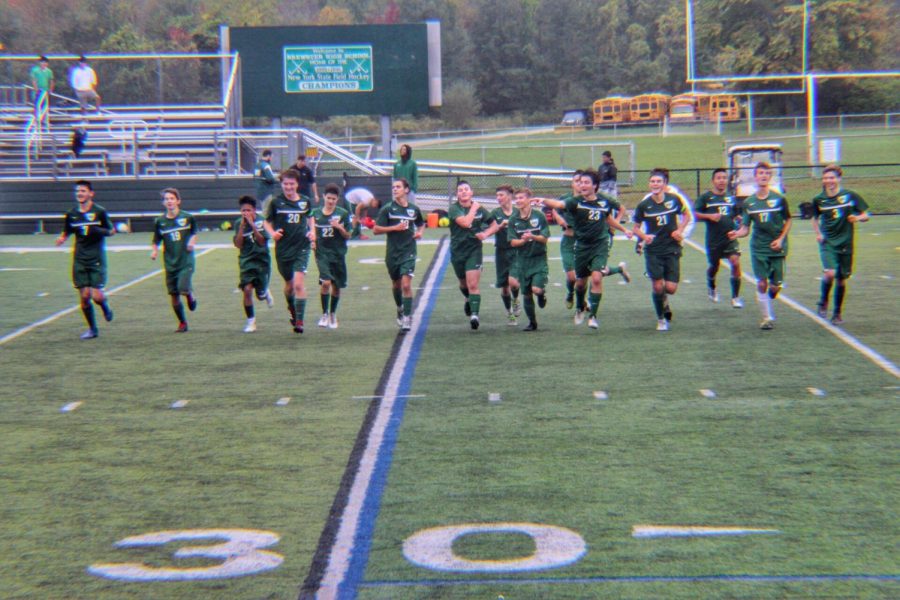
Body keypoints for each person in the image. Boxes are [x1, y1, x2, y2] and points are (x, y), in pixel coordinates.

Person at [539, 170, 631, 330]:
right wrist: (543, 200)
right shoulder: (575, 201)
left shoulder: (603, 201)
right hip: (581, 246)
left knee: (596, 278)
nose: (582, 185)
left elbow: (608, 218)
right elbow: (559, 205)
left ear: (595, 186)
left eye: (586, 182)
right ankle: (580, 306)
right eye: (580, 182)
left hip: (600, 245)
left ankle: (593, 316)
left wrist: (624, 229)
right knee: (580, 284)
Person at [631, 169, 692, 331]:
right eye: (652, 181)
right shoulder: (644, 205)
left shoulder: (674, 199)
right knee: (657, 286)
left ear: (665, 184)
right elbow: (636, 228)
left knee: (671, 288)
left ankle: (664, 298)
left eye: (659, 181)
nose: (655, 184)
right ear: (649, 184)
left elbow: (687, 216)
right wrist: (644, 237)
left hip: (672, 248)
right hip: (653, 250)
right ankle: (661, 319)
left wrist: (680, 230)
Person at [733, 162, 791, 330]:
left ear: (770, 176)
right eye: (760, 173)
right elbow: (745, 228)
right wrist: (736, 233)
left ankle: (775, 289)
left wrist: (781, 239)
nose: (763, 176)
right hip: (759, 247)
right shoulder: (749, 203)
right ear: (755, 177)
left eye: (766, 173)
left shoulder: (779, 199)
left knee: (774, 288)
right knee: (761, 283)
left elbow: (788, 219)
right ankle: (766, 318)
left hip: (777, 247)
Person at [54, 180, 114, 339]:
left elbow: (111, 231)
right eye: (78, 191)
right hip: (80, 258)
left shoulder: (100, 212)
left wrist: (98, 230)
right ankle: (92, 329)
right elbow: (67, 231)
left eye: (83, 191)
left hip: (96, 258)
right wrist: (62, 239)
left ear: (91, 193)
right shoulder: (71, 214)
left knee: (97, 296)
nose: (80, 193)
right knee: (85, 296)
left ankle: (105, 306)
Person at [810, 164, 869, 325]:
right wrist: (818, 233)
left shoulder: (849, 196)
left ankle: (837, 312)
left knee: (842, 280)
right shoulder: (818, 199)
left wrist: (857, 218)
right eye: (826, 178)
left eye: (832, 177)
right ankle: (823, 301)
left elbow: (866, 214)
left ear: (839, 179)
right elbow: (814, 218)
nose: (829, 180)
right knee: (830, 273)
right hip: (828, 242)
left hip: (846, 243)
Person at [263, 169, 316, 334]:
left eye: (291, 184)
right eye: (286, 184)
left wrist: (312, 231)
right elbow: (266, 222)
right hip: (283, 249)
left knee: (299, 284)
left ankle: (299, 321)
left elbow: (310, 217)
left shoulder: (305, 201)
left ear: (297, 184)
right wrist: (272, 234)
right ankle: (292, 309)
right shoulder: (276, 202)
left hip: (301, 246)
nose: (289, 187)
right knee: (289, 286)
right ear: (282, 184)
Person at [373, 178, 425, 332]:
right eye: (393, 187)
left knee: (406, 284)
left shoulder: (414, 209)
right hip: (392, 253)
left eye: (398, 187)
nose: (395, 189)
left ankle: (407, 318)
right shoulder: (388, 209)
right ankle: (400, 307)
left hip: (408, 251)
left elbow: (421, 224)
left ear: (406, 190)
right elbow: (375, 229)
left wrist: (419, 233)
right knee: (396, 284)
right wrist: (394, 228)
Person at [693, 168, 744, 308]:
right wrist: (709, 216)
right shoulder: (706, 198)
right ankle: (711, 285)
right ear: (713, 181)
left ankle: (735, 297)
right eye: (719, 178)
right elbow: (695, 214)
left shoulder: (731, 198)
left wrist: (739, 220)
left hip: (730, 237)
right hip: (714, 240)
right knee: (714, 267)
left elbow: (735, 214)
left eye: (724, 178)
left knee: (735, 262)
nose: (722, 180)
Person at [448, 180, 495, 330]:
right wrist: (474, 208)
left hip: (474, 250)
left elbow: (494, 224)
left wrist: (486, 233)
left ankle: (475, 315)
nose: (463, 191)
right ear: (457, 194)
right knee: (463, 284)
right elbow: (465, 223)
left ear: (471, 192)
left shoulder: (481, 209)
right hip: (458, 251)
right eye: (460, 190)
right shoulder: (454, 209)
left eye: (466, 189)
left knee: (473, 284)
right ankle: (468, 298)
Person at [151, 188, 198, 333]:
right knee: (174, 295)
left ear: (178, 201)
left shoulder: (187, 217)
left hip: (185, 260)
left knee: (182, 288)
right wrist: (154, 251)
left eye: (172, 198)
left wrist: (191, 242)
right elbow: (156, 240)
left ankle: (190, 294)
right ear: (163, 202)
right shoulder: (160, 221)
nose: (169, 201)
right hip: (170, 262)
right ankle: (182, 323)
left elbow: (194, 233)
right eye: (166, 199)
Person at [508, 188, 550, 331]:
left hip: (539, 260)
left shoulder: (539, 216)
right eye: (517, 198)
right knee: (526, 293)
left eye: (521, 198)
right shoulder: (514, 219)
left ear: (529, 200)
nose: (518, 201)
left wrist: (532, 236)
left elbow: (544, 239)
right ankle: (533, 323)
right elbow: (513, 242)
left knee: (536, 289)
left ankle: (541, 294)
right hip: (523, 261)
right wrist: (523, 241)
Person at [311, 183, 352, 329]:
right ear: (323, 197)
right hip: (322, 254)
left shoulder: (342, 214)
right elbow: (310, 231)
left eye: (334, 199)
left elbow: (348, 235)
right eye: (328, 198)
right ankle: (324, 314)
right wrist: (312, 239)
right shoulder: (315, 214)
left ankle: (333, 314)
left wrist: (339, 227)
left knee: (336, 286)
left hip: (338, 254)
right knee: (326, 283)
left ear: (337, 199)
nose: (330, 201)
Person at [233, 196, 273, 333]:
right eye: (243, 211)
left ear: (254, 210)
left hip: (262, 261)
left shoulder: (262, 222)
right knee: (247, 289)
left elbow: (262, 241)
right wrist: (242, 228)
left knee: (260, 295)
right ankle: (251, 321)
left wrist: (253, 226)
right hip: (246, 261)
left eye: (248, 210)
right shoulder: (239, 223)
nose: (246, 213)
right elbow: (238, 244)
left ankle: (265, 292)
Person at [485, 185, 520, 325]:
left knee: (514, 283)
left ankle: (516, 300)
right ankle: (509, 312)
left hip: (516, 251)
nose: (498, 198)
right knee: (504, 287)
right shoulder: (494, 213)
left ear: (509, 196)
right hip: (501, 252)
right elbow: (488, 229)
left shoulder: (518, 212)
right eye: (497, 195)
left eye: (501, 195)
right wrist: (499, 226)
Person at [550, 172, 581, 311]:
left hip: (584, 241)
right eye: (577, 181)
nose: (580, 184)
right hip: (568, 240)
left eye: (583, 181)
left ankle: (582, 303)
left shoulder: (590, 200)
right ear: (572, 183)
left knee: (583, 278)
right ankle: (570, 293)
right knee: (572, 277)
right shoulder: (566, 198)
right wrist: (560, 219)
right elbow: (554, 210)